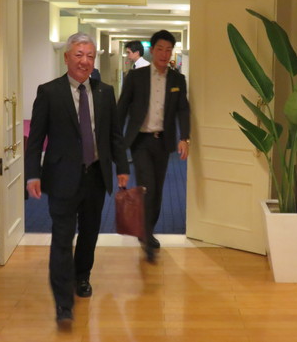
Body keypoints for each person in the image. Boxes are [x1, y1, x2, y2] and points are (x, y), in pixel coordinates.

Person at [24, 32, 129, 327]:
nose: (85, 61)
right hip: (61, 178)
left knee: (90, 232)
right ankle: (63, 303)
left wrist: (122, 166)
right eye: (79, 55)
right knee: (62, 238)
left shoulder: (105, 92)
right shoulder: (49, 92)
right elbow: (36, 139)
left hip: (95, 175)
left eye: (90, 56)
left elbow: (114, 135)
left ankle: (82, 276)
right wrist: (32, 174)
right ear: (67, 57)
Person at [117, 29, 190, 262]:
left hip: (163, 142)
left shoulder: (177, 79)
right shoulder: (136, 77)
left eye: (168, 50)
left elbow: (183, 109)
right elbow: (122, 107)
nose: (164, 54)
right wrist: (116, 140)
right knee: (147, 187)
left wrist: (184, 137)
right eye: (160, 49)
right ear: (153, 50)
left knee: (157, 191)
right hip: (141, 141)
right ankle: (147, 236)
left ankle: (146, 230)